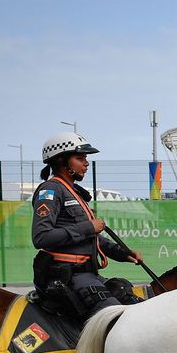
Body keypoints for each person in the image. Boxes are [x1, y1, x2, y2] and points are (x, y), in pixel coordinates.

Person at [31, 132, 142, 318]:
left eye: (86, 158)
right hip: (67, 278)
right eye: (80, 158)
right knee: (115, 318)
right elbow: (41, 237)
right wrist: (88, 227)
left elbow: (93, 239)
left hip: (89, 275)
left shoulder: (74, 192)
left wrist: (123, 253)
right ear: (61, 161)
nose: (86, 163)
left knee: (133, 303)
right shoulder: (50, 190)